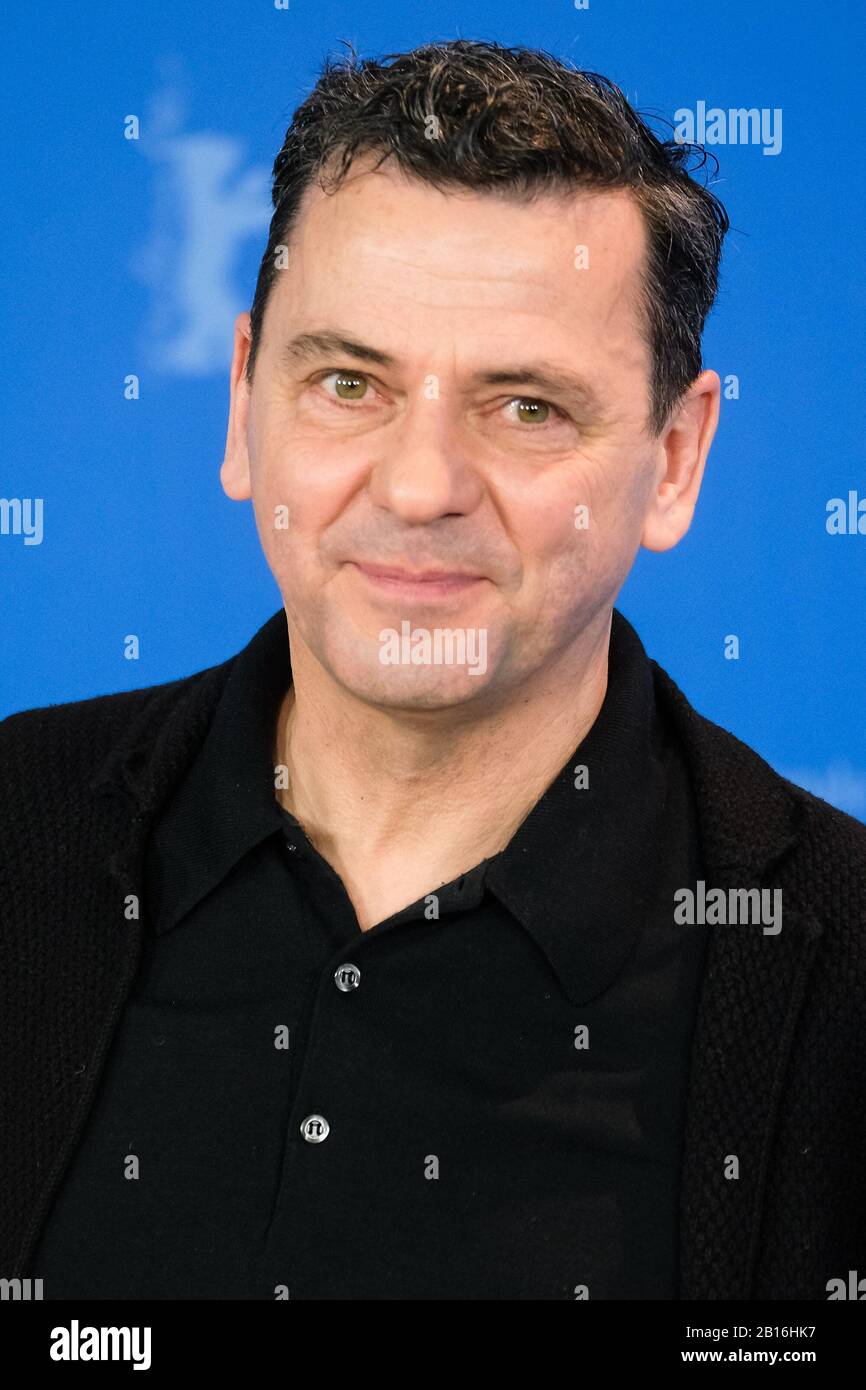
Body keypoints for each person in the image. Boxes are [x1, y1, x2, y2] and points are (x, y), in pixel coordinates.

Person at [2, 38, 864, 1301]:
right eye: (348, 382)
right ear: (243, 403)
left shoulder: (836, 982)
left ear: (675, 459)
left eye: (525, 408)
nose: (419, 489)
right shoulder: (13, 824)